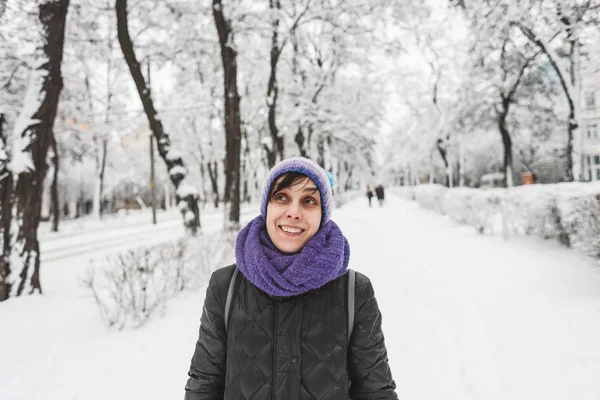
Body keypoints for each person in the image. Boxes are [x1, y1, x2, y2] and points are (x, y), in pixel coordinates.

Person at [184, 157, 397, 400]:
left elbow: (376, 391)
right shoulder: (225, 286)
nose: (293, 212)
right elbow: (204, 384)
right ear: (266, 207)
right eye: (281, 197)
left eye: (308, 201)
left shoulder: (354, 291)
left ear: (323, 215)